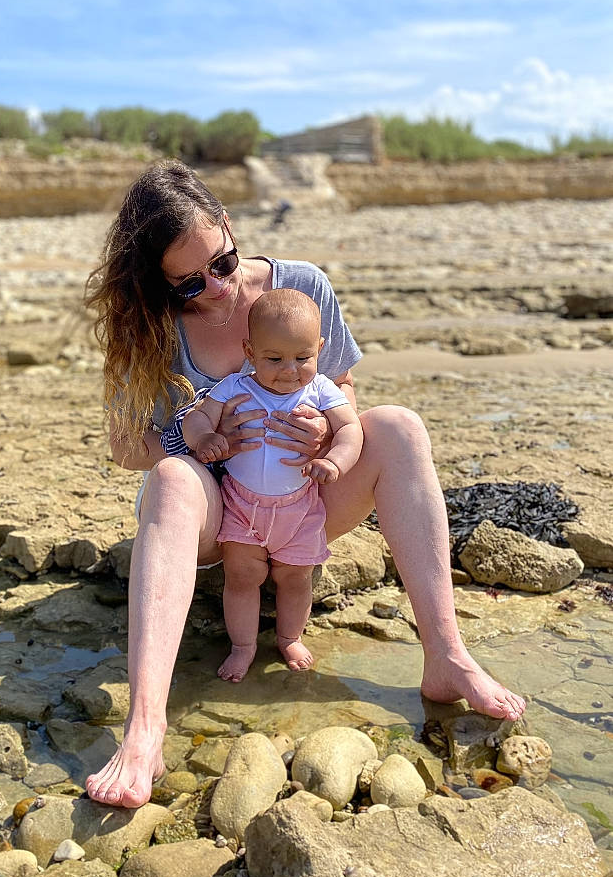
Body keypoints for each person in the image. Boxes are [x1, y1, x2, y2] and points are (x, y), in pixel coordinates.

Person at [83, 160, 525, 810]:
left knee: (399, 427)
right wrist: (199, 439)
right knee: (172, 479)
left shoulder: (301, 286)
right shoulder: (146, 327)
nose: (217, 289)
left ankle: (446, 655)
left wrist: (324, 434)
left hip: (299, 501)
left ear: (229, 226)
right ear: (158, 282)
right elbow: (127, 448)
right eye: (190, 283)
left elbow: (341, 387)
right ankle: (146, 728)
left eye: (223, 263)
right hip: (212, 520)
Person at [181, 288, 364, 679]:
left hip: (300, 509)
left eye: (302, 358)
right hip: (242, 507)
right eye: (274, 359)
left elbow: (351, 428)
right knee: (242, 578)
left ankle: (289, 637)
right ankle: (242, 647)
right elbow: (196, 417)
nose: (289, 370)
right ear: (250, 352)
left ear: (319, 348)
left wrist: (335, 460)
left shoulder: (320, 390)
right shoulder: (236, 387)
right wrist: (204, 438)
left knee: (295, 579)